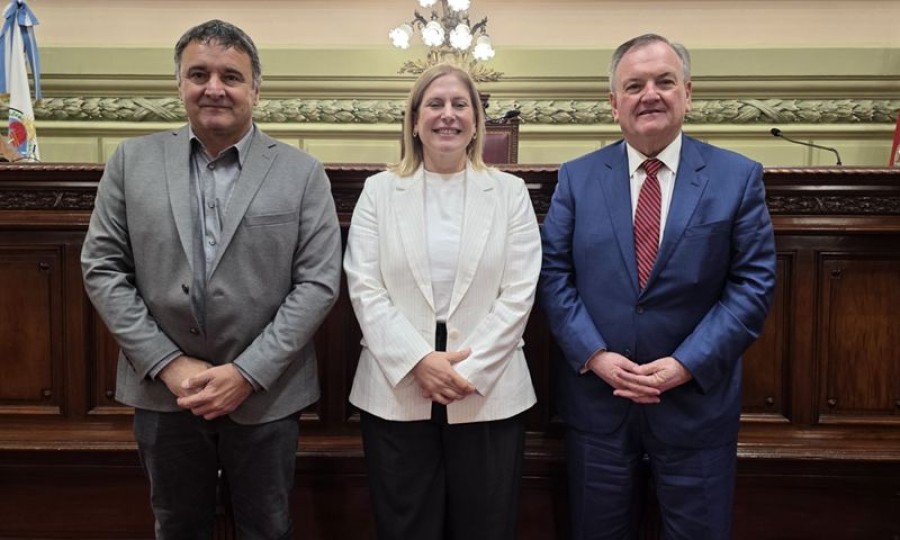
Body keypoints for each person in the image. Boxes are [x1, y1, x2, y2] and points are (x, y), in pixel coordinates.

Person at [81, 19, 341, 539]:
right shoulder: (132, 162)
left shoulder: (302, 172)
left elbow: (318, 282)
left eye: (231, 75)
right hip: (164, 392)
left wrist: (245, 372)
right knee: (176, 525)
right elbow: (102, 267)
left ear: (256, 89)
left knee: (267, 526)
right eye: (198, 73)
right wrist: (169, 364)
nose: (214, 87)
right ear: (179, 84)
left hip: (266, 392)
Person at [539, 34, 777, 539]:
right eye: (634, 85)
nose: (650, 94)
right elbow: (553, 274)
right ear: (613, 103)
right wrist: (595, 356)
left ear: (688, 93)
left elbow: (752, 285)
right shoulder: (577, 179)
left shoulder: (737, 178)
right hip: (598, 404)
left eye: (664, 82)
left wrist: (686, 363)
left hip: (695, 408)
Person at [343, 62, 541, 540]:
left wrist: (464, 374)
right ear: (414, 120)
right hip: (396, 390)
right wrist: (417, 361)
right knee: (405, 525)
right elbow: (365, 286)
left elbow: (519, 291)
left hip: (488, 392)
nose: (447, 115)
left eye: (460, 105)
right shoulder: (379, 191)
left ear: (476, 120)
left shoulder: (510, 193)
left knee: (486, 526)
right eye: (434, 104)